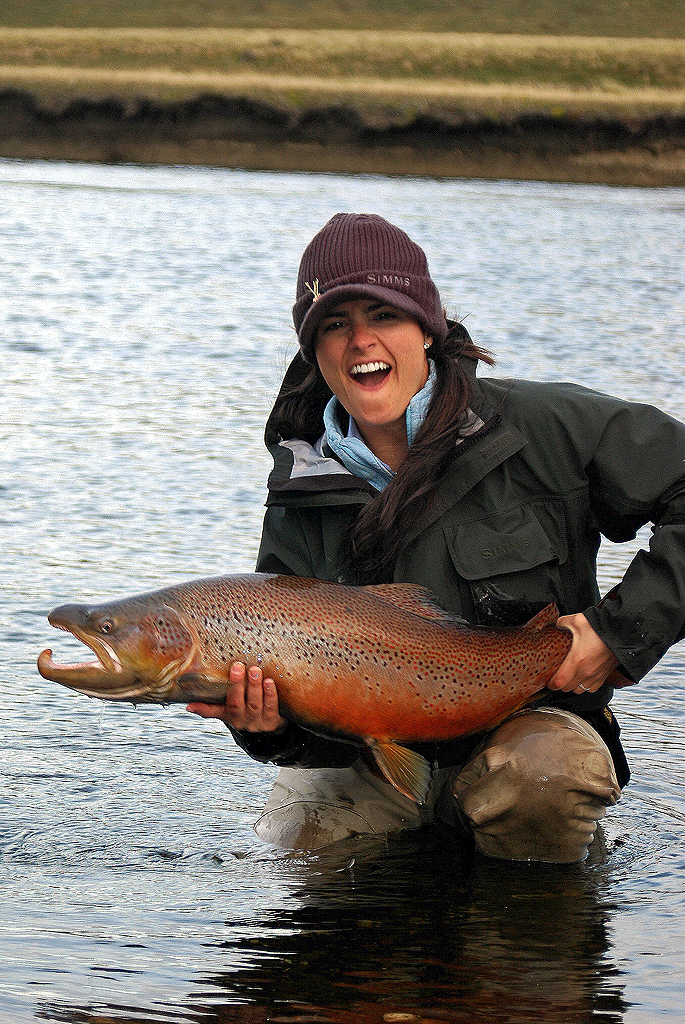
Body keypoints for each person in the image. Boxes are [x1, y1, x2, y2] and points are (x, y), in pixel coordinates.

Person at [188, 213, 685, 862]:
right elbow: (308, 730)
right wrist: (267, 729)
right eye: (334, 325)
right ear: (313, 352)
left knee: (543, 781)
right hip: (372, 758)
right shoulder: (300, 489)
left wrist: (617, 633)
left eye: (383, 315)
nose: (360, 340)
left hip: (532, 730)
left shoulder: (545, 427)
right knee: (297, 853)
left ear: (427, 328)